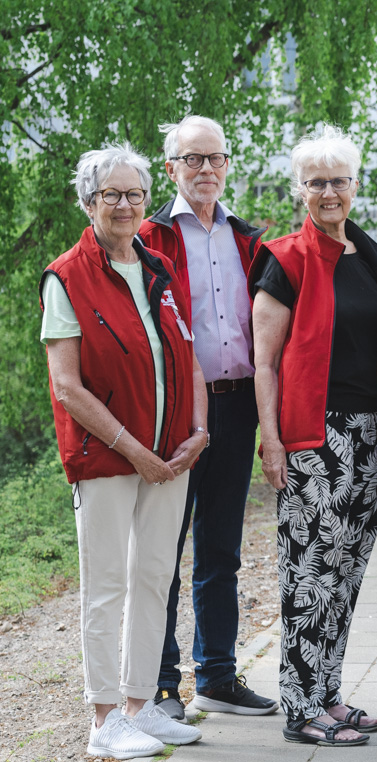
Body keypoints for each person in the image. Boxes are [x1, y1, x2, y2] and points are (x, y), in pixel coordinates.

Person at [42, 144, 206, 758]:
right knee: (107, 583)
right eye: (110, 194)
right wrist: (135, 450)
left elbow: (188, 356)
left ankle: (142, 706)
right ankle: (104, 719)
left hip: (171, 456)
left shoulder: (159, 267)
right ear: (88, 203)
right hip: (107, 456)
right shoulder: (66, 276)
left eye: (134, 194)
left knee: (155, 577)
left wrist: (200, 430)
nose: (124, 205)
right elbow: (67, 387)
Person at [251, 126, 377, 746]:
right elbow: (264, 362)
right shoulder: (285, 259)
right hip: (314, 438)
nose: (329, 192)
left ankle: (328, 694)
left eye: (339, 180)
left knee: (346, 571)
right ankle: (300, 708)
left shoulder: (371, 259)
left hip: (370, 436)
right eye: (317, 182)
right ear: (301, 189)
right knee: (309, 574)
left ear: (355, 185)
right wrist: (272, 440)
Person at [139, 116, 277, 721]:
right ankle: (161, 685)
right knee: (164, 549)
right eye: (192, 159)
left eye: (214, 158)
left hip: (237, 403)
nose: (204, 169)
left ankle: (217, 677)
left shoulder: (247, 239)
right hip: (175, 411)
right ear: (171, 167)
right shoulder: (149, 237)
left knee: (221, 549)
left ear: (226, 165)